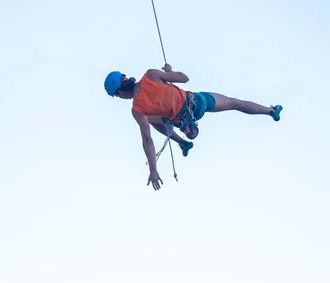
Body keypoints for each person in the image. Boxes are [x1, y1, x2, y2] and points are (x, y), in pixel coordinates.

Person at [104, 64, 282, 191]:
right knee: (233, 103)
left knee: (151, 119)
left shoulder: (137, 109)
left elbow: (147, 139)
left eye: (119, 96)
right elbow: (184, 78)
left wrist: (153, 170)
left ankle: (182, 141)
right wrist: (169, 72)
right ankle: (270, 111)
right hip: (196, 102)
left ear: (120, 92)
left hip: (180, 119)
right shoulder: (151, 75)